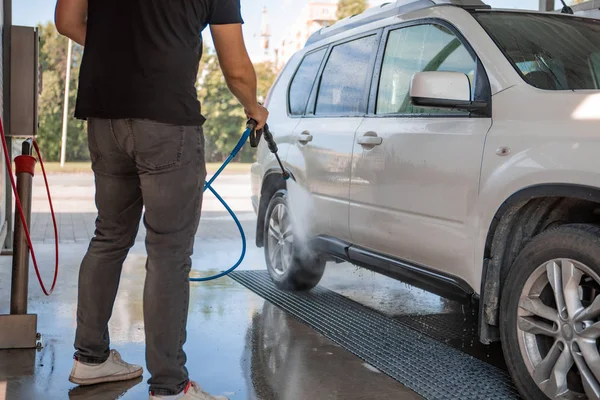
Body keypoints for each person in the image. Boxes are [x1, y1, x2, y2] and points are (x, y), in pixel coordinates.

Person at [54, 0, 269, 399]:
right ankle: (170, 387)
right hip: (167, 122)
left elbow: (66, 21)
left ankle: (91, 360)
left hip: (105, 119)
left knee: (109, 237)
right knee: (168, 253)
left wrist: (118, 51)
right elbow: (236, 68)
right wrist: (254, 107)